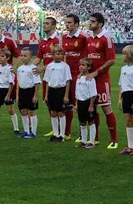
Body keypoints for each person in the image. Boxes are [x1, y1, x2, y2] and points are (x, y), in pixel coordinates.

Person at [86, 13, 118, 149]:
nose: (90, 23)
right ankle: (95, 138)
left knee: (106, 108)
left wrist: (97, 72)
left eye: (92, 21)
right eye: (90, 21)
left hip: (102, 79)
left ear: (100, 24)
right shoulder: (89, 38)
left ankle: (114, 140)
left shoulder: (106, 38)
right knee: (92, 109)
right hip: (90, 79)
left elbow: (111, 60)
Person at [33, 17, 62, 137]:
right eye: (43, 23)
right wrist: (28, 67)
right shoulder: (43, 41)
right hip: (47, 77)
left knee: (59, 104)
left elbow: (59, 58)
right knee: (49, 101)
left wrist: (42, 68)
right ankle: (55, 128)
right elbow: (39, 58)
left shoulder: (57, 39)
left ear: (54, 26)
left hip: (57, 76)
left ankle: (63, 130)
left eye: (47, 23)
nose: (44, 25)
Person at [62, 14, 88, 142]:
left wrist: (84, 72)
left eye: (70, 22)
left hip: (80, 75)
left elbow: (87, 56)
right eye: (66, 22)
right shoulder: (64, 37)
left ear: (77, 24)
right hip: (69, 75)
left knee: (82, 104)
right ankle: (67, 132)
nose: (67, 25)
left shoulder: (83, 37)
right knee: (68, 103)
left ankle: (84, 134)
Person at [43, 44, 72, 143]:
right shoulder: (49, 66)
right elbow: (47, 81)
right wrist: (46, 95)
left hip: (61, 90)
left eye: (61, 53)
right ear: (52, 54)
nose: (59, 55)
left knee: (61, 112)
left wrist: (66, 95)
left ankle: (62, 135)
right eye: (57, 53)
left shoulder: (65, 66)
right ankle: (55, 134)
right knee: (53, 113)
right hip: (52, 91)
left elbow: (68, 81)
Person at [16, 47, 42, 139]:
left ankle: (33, 132)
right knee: (23, 111)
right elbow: (18, 83)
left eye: (25, 56)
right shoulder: (19, 68)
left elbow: (37, 83)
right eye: (21, 55)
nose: (23, 57)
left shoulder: (34, 68)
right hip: (22, 92)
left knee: (31, 112)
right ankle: (26, 131)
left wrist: (35, 95)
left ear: (30, 56)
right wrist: (17, 95)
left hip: (30, 91)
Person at [0, 49, 16, 134]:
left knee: (10, 110)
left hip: (7, 90)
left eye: (2, 56)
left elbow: (11, 83)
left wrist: (8, 95)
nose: (0, 58)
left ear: (7, 58)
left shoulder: (10, 69)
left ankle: (16, 129)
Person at [75, 58, 98, 149]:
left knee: (91, 121)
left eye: (83, 65)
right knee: (82, 122)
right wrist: (76, 104)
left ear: (89, 67)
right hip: (80, 102)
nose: (81, 66)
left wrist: (91, 105)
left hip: (88, 102)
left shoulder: (90, 79)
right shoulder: (79, 78)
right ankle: (83, 141)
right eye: (80, 64)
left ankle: (91, 142)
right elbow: (77, 92)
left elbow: (93, 94)